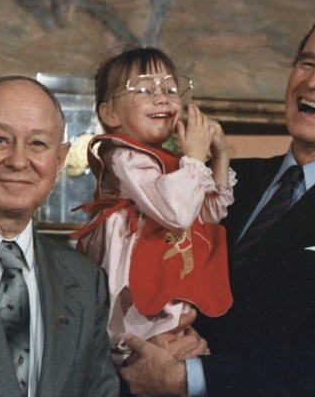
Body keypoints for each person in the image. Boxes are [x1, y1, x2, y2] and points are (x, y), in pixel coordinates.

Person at [120, 7, 315, 396]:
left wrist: (190, 376)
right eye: (307, 62)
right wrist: (158, 339)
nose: (314, 81)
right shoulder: (221, 177)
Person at [0, 76, 118, 395]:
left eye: (37, 144)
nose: (18, 161)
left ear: (59, 160)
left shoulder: (85, 282)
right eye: (0, 140)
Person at [72, 46, 234, 366]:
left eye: (171, 90)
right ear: (110, 114)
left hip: (160, 291)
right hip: (128, 294)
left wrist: (220, 158)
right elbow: (177, 212)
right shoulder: (124, 156)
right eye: (145, 90)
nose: (162, 98)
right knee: (143, 348)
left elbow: (208, 214)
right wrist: (194, 161)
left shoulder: (173, 165)